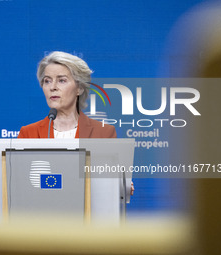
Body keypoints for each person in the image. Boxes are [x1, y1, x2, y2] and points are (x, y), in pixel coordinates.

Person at [18, 51, 134, 194]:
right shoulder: (29, 133)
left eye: (61, 80)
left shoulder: (104, 133)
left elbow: (110, 184)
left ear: (79, 88)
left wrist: (120, 185)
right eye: (47, 81)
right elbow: (19, 183)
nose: (52, 87)